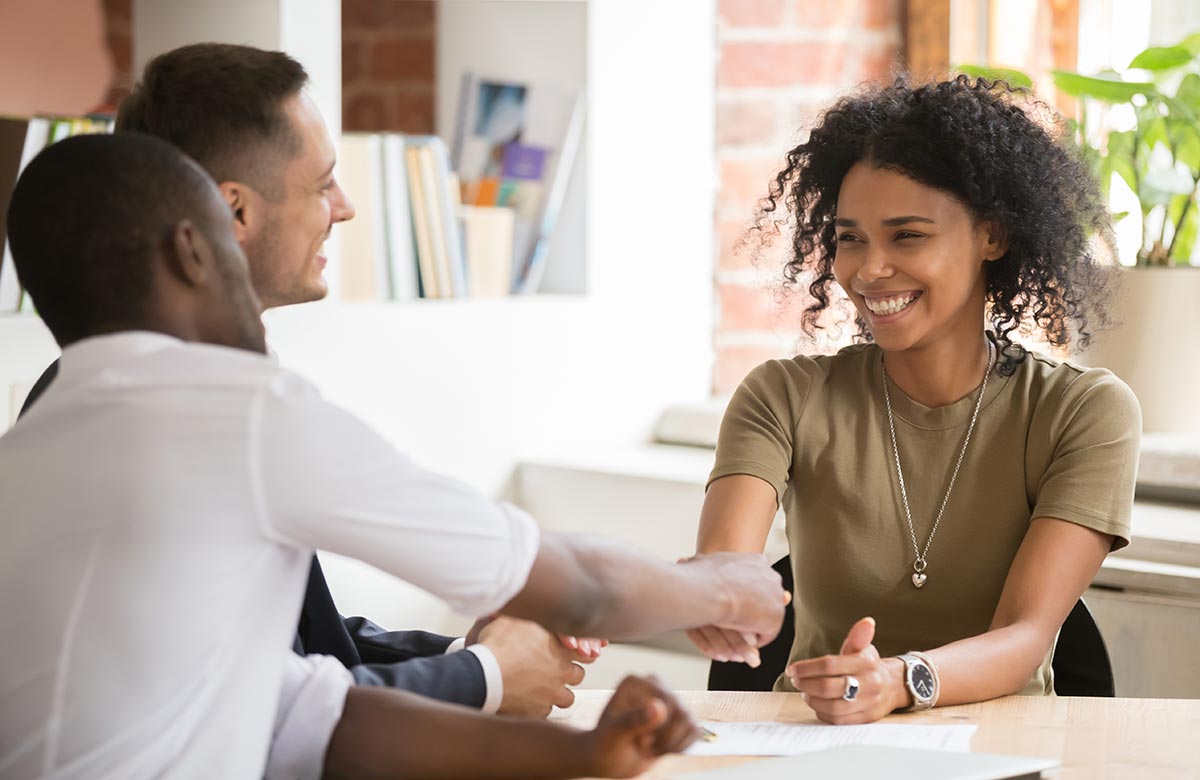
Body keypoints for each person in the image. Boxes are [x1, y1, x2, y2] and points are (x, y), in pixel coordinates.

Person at [0, 132, 787, 777]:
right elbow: (579, 588)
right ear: (192, 252)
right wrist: (721, 589)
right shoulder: (235, 410)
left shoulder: (26, 453)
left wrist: (578, 751)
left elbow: (316, 717)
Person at [17, 41, 603, 719]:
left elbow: (301, 645)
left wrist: (465, 656)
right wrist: (486, 676)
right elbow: (267, 714)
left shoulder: (100, 385)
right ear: (234, 213)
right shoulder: (191, 416)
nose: (347, 207)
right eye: (324, 183)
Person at [689, 75, 1140, 724]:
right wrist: (712, 597)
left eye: (907, 236)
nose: (868, 270)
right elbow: (724, 569)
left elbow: (1026, 637)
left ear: (993, 236)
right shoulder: (782, 398)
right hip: (817, 752)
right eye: (850, 238)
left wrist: (901, 680)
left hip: (1005, 749)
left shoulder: (1083, 412)